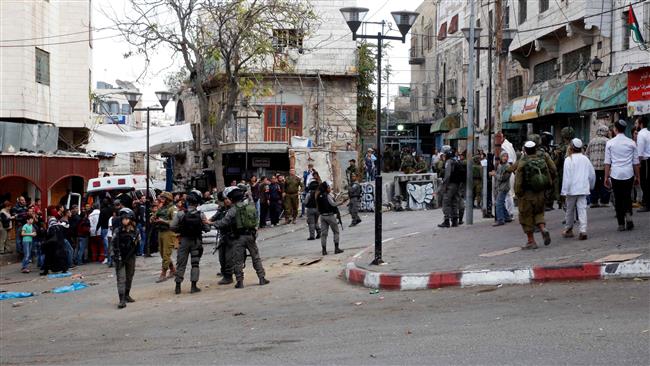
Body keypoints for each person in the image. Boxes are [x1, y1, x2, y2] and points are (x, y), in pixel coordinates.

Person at [210, 188, 269, 288]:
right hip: (250, 236)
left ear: (232, 199)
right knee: (256, 258)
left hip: (237, 238)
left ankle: (240, 282)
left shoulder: (233, 209)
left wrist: (211, 223)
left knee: (238, 260)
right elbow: (256, 219)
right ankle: (262, 278)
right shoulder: (249, 206)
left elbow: (224, 222)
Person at [514, 141, 553, 250]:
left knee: (526, 217)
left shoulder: (522, 162)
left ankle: (531, 241)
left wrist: (518, 194)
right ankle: (542, 228)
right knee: (539, 213)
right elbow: (549, 176)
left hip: (527, 195)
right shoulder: (541, 161)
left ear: (525, 150)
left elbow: (518, 182)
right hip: (540, 193)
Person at [604, 120, 641, 231]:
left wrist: (606, 177)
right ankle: (628, 215)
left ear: (615, 129)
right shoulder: (631, 143)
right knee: (627, 196)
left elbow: (607, 162)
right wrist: (637, 176)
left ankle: (621, 223)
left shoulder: (610, 143)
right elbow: (636, 163)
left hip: (615, 174)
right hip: (628, 174)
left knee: (618, 198)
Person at [171, 193, 209, 294]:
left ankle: (178, 287)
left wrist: (181, 230)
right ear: (197, 204)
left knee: (181, 264)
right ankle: (193, 286)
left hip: (183, 241)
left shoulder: (180, 214)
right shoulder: (201, 214)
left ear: (187, 202)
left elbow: (172, 227)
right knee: (195, 264)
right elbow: (207, 228)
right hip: (196, 241)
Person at [561, 138, 596, 240]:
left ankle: (568, 229)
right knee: (582, 209)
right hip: (583, 188)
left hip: (571, 190)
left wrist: (564, 191)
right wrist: (591, 185)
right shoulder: (585, 159)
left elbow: (566, 177)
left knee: (569, 210)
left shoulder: (568, 160)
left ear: (571, 147)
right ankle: (583, 230)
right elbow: (592, 174)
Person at [111, 208, 139, 309]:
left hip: (130, 257)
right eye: (123, 219)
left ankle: (127, 294)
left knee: (129, 276)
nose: (124, 220)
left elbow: (136, 245)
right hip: (120, 257)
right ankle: (122, 299)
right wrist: (116, 256)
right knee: (121, 278)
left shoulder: (135, 231)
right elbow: (113, 244)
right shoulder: (118, 230)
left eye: (126, 218)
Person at [211, 189, 235, 285]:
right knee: (222, 257)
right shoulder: (222, 209)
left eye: (228, 199)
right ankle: (225, 273)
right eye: (225, 199)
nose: (227, 201)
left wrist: (213, 223)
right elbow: (214, 217)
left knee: (229, 258)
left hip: (232, 236)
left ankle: (229, 276)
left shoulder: (233, 210)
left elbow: (224, 222)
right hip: (223, 236)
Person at [153, 191, 177, 282]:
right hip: (161, 231)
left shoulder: (172, 208)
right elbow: (156, 216)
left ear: (168, 199)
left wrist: (163, 221)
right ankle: (173, 269)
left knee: (166, 253)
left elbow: (174, 222)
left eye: (163, 198)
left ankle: (163, 273)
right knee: (162, 253)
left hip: (169, 232)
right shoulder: (162, 207)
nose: (161, 199)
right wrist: (153, 218)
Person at [586, 125, 611, 208]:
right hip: (604, 166)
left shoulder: (592, 141)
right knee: (605, 182)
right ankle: (604, 201)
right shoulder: (608, 141)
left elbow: (587, 153)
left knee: (594, 184)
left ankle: (594, 201)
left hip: (593, 167)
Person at [316, 181, 343, 255]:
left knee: (324, 234)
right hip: (330, 216)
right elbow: (333, 204)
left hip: (322, 216)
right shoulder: (327, 195)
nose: (330, 188)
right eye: (328, 187)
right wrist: (341, 202)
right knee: (336, 232)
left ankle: (324, 250)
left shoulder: (319, 195)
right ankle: (336, 248)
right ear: (326, 188)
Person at [438, 146, 463, 228]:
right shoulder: (456, 160)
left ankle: (446, 221)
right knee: (454, 202)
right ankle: (455, 221)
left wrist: (444, 186)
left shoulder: (449, 162)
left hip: (450, 185)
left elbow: (447, 175)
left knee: (446, 202)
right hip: (457, 185)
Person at [553, 127, 576, 209]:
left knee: (561, 186)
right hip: (574, 171)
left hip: (562, 170)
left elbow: (555, 162)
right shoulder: (576, 145)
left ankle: (562, 202)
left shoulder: (561, 147)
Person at [490, 152, 512, 226]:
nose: (504, 158)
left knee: (498, 203)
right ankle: (507, 217)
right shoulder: (501, 165)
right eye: (503, 156)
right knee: (501, 202)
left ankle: (500, 219)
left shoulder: (507, 166)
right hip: (501, 187)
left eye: (506, 156)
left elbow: (503, 178)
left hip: (504, 187)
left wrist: (494, 174)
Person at [635, 115, 649, 212]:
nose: (635, 124)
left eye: (636, 123)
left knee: (644, 183)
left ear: (641, 124)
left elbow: (640, 152)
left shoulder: (641, 134)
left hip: (645, 160)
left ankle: (646, 204)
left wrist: (638, 163)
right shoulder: (648, 133)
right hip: (647, 159)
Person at [97, 199, 113, 266]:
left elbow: (100, 220)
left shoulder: (102, 211)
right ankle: (110, 258)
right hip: (110, 228)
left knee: (106, 244)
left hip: (104, 228)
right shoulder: (111, 209)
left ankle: (107, 257)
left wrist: (97, 228)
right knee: (110, 244)